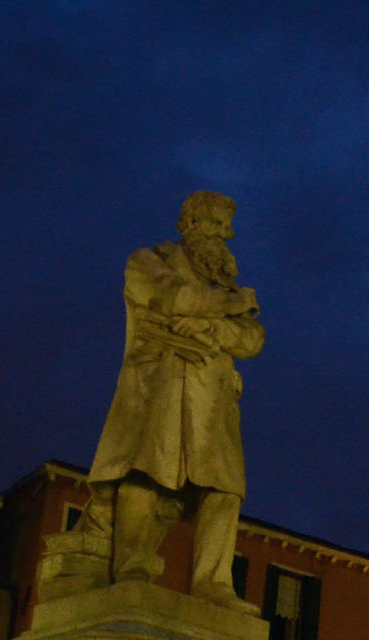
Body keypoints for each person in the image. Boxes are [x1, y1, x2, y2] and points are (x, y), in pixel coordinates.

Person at [81, 190, 265, 607]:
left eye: (228, 225)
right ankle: (133, 567)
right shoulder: (149, 261)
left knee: (226, 488)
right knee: (146, 472)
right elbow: (174, 298)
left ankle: (213, 583)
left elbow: (253, 338)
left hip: (213, 399)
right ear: (191, 224)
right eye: (219, 224)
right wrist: (231, 304)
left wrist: (213, 330)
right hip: (160, 386)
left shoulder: (222, 278)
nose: (228, 234)